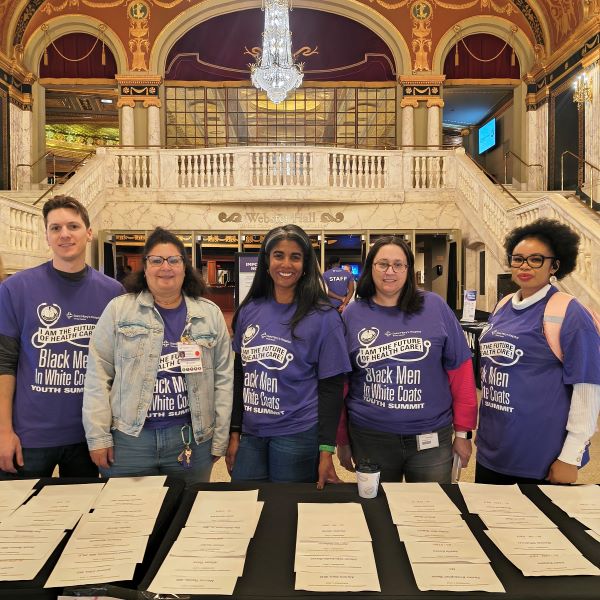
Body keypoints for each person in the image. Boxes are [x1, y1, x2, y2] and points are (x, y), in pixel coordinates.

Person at [82, 227, 233, 485]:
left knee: (186, 516)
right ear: (145, 267)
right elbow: (98, 374)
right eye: (157, 260)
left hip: (191, 441)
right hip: (130, 441)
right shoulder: (119, 310)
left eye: (174, 260)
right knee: (128, 519)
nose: (166, 267)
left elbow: (224, 380)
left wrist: (219, 438)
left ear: (185, 268)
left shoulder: (209, 314)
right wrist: (98, 437)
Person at [0, 195, 124, 479]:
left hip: (88, 437)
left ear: (89, 233)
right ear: (46, 236)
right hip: (28, 437)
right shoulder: (16, 289)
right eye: (55, 228)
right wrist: (3, 431)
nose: (64, 234)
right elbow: (4, 364)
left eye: (73, 226)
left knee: (81, 521)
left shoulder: (113, 293)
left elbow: (117, 369)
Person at [338, 235, 477, 483]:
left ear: (408, 269)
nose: (390, 271)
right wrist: (341, 439)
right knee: (377, 513)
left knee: (430, 513)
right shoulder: (352, 314)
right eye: (382, 264)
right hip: (370, 437)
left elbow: (461, 372)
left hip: (431, 437)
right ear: (371, 267)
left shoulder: (435, 307)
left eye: (398, 264)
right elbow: (341, 383)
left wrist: (463, 434)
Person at [476, 218, 600, 485]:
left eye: (535, 259)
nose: (524, 266)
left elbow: (587, 386)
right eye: (518, 258)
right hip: (492, 451)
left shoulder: (570, 312)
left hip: (539, 456)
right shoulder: (504, 305)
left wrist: (571, 456)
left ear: (554, 265)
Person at [225, 224, 351, 488]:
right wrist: (234, 432)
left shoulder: (325, 318)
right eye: (278, 255)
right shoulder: (249, 310)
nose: (286, 263)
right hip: (251, 433)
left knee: (287, 514)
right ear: (267, 261)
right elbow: (239, 374)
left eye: (295, 256)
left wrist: (326, 450)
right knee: (247, 508)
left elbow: (331, 388)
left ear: (306, 264)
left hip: (298, 434)